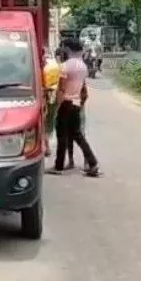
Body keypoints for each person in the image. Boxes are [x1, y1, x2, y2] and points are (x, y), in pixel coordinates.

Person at [46, 38, 100, 177]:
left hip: (66, 102)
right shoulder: (83, 66)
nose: (62, 50)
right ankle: (93, 162)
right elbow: (83, 88)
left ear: (68, 48)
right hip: (76, 103)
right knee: (77, 134)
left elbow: (61, 89)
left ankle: (58, 166)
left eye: (63, 47)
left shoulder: (65, 66)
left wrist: (57, 105)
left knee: (61, 135)